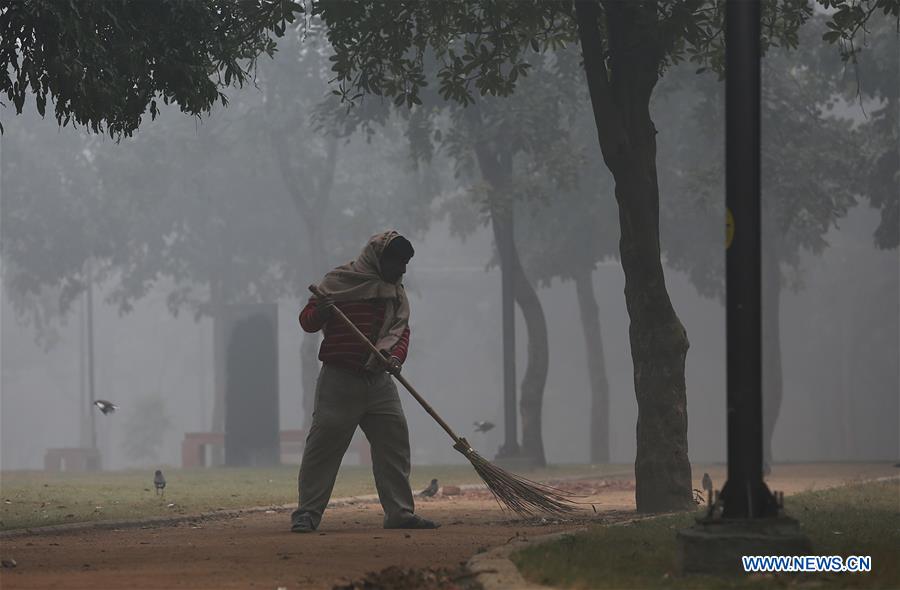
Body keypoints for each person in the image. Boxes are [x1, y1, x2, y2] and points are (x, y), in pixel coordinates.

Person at [290, 230, 439, 533]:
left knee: (394, 442)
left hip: (378, 380)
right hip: (339, 381)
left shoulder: (395, 294)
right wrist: (321, 310)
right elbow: (307, 321)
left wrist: (395, 358)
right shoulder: (337, 282)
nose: (403, 270)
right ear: (379, 259)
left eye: (406, 264)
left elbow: (400, 332)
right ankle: (306, 513)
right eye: (399, 262)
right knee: (323, 447)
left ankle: (400, 512)